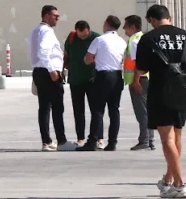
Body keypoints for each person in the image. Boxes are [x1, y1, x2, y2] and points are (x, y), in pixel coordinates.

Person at [136, 4, 186, 199]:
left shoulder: (148, 39)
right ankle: (168, 180)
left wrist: (136, 80)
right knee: (177, 136)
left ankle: (180, 184)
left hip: (160, 92)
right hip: (183, 91)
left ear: (151, 20)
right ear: (169, 17)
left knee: (167, 139)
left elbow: (142, 69)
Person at [82, 15, 125, 151]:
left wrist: (94, 60)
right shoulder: (122, 41)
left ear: (106, 24)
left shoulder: (99, 40)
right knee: (114, 110)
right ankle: (112, 142)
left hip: (103, 75)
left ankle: (92, 141)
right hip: (117, 75)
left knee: (98, 110)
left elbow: (88, 59)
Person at [29, 5, 66, 151]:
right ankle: (61, 140)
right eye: (54, 15)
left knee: (44, 107)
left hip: (39, 70)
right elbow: (43, 51)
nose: (57, 17)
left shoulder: (35, 30)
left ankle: (46, 141)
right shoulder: (47, 31)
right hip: (48, 72)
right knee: (57, 107)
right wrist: (52, 70)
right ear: (45, 16)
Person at [122, 14, 155, 151]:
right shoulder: (144, 38)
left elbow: (137, 63)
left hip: (139, 79)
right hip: (146, 78)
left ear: (132, 27)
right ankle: (150, 140)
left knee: (142, 112)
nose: (124, 30)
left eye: (125, 27)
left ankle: (145, 140)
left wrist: (135, 80)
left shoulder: (134, 41)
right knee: (147, 111)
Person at [63, 20, 98, 148]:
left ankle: (98, 138)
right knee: (78, 110)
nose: (82, 37)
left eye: (84, 35)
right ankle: (80, 138)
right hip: (75, 79)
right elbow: (65, 54)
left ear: (89, 30)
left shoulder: (97, 38)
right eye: (80, 35)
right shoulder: (72, 37)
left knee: (95, 111)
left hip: (92, 80)